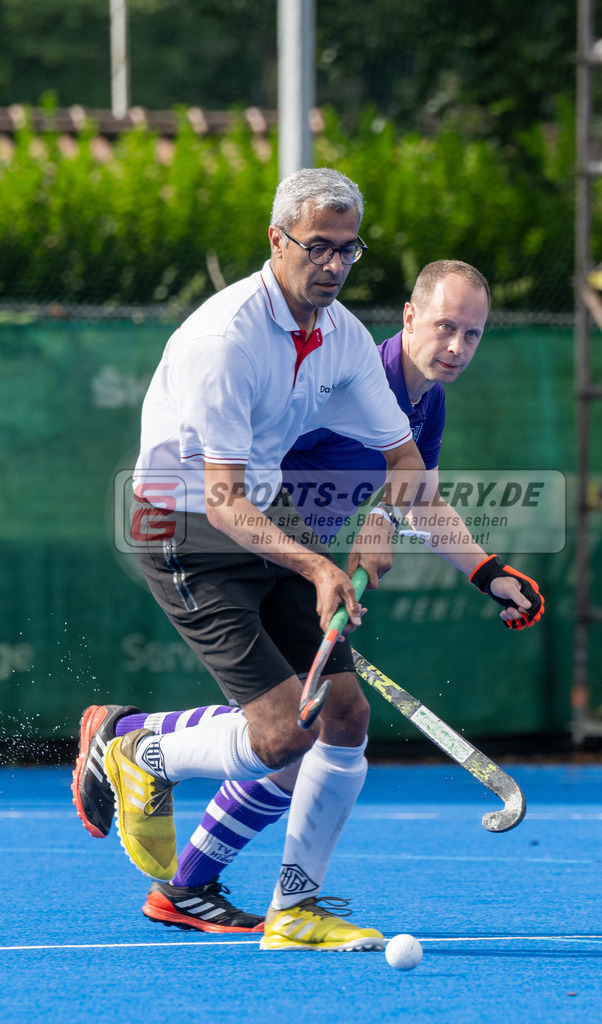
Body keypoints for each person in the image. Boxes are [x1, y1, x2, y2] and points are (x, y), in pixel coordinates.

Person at [73, 258, 544, 937]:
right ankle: (129, 744)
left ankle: (196, 887)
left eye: (472, 335)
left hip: (301, 563)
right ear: (409, 318)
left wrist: (489, 571)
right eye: (445, 327)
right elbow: (264, 458)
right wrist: (348, 543)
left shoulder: (426, 403)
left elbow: (418, 498)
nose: (457, 348)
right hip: (243, 542)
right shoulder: (350, 376)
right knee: (291, 728)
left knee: (318, 736)